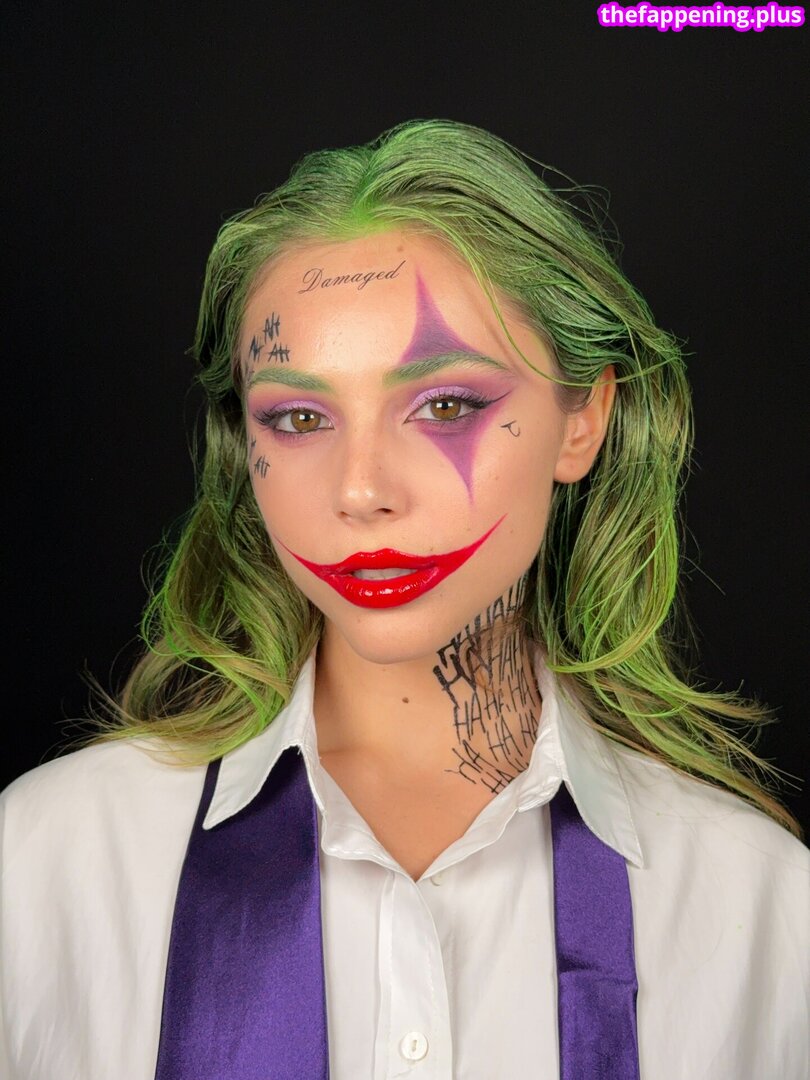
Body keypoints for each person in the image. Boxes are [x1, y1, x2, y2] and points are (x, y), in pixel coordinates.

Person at [1, 120, 807, 1080]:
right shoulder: (46, 864)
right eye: (300, 417)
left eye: (446, 407)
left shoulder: (761, 906)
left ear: (582, 418)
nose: (361, 490)